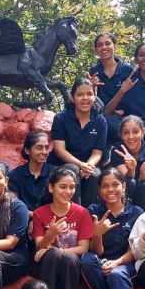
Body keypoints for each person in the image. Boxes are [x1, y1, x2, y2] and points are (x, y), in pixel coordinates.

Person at [31, 166, 93, 289]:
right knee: (53, 254)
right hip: (46, 266)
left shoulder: (82, 213)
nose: (68, 191)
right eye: (63, 186)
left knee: (70, 257)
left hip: (69, 267)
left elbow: (83, 247)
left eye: (72, 187)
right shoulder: (40, 213)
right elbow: (39, 246)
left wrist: (56, 250)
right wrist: (51, 234)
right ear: (51, 188)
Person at [81, 168, 142, 289]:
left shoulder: (136, 212)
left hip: (125, 263)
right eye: (105, 186)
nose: (110, 190)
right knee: (87, 260)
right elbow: (97, 252)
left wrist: (116, 263)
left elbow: (134, 251)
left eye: (115, 184)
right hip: (101, 261)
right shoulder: (93, 210)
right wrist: (97, 234)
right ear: (99, 190)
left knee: (116, 275)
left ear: (124, 186)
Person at [50, 77, 108, 207]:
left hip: (88, 164)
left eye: (89, 94)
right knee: (72, 170)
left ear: (94, 97)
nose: (85, 98)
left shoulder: (100, 121)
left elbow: (97, 152)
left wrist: (87, 166)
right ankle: (74, 215)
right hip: (63, 164)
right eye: (80, 94)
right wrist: (80, 165)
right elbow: (60, 150)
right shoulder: (61, 118)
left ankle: (88, 215)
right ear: (72, 98)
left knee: (95, 174)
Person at [110, 115, 145, 210]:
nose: (131, 137)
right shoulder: (118, 150)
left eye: (135, 132)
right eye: (126, 133)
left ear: (143, 132)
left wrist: (143, 173)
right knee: (129, 182)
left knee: (144, 186)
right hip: (127, 193)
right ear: (121, 135)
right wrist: (131, 169)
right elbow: (125, 180)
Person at [87, 31, 134, 137]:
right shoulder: (93, 73)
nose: (104, 47)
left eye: (108, 43)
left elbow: (135, 98)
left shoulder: (128, 71)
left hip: (127, 118)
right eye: (100, 45)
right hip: (103, 119)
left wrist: (125, 110)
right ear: (96, 50)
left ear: (114, 46)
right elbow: (94, 106)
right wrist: (92, 86)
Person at [8, 131, 52, 211]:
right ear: (27, 150)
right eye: (39, 148)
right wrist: (33, 216)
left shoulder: (54, 173)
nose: (44, 152)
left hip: (50, 220)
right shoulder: (15, 175)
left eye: (46, 148)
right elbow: (13, 204)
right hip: (23, 218)